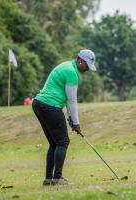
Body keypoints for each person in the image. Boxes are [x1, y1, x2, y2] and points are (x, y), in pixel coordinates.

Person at [32, 49, 96, 186]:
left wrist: (72, 120)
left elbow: (68, 100)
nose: (87, 69)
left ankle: (49, 179)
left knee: (55, 143)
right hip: (50, 105)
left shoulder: (65, 65)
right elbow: (72, 101)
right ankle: (57, 178)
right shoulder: (72, 73)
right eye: (87, 66)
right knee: (63, 142)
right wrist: (76, 123)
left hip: (38, 104)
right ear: (80, 60)